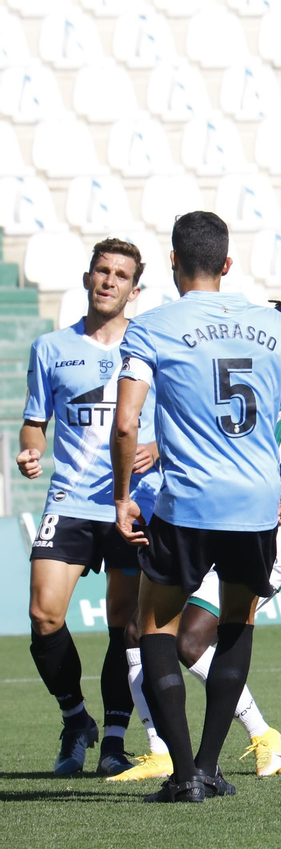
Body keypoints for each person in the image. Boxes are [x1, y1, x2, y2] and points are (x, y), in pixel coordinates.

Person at [112, 211, 281, 804]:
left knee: (152, 625)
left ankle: (183, 775)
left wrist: (124, 495)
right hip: (255, 505)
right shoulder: (274, 328)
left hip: (186, 505)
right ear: (227, 265)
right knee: (237, 620)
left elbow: (128, 421)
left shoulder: (151, 327)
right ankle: (209, 766)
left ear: (174, 263)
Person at [17, 238, 161, 776]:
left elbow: (178, 414)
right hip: (71, 500)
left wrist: (161, 447)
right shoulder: (51, 348)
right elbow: (36, 419)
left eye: (120, 275)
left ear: (133, 289)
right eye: (102, 271)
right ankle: (76, 719)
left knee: (124, 624)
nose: (108, 281)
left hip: (133, 501)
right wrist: (32, 447)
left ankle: (116, 739)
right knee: (44, 613)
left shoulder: (149, 348)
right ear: (87, 278)